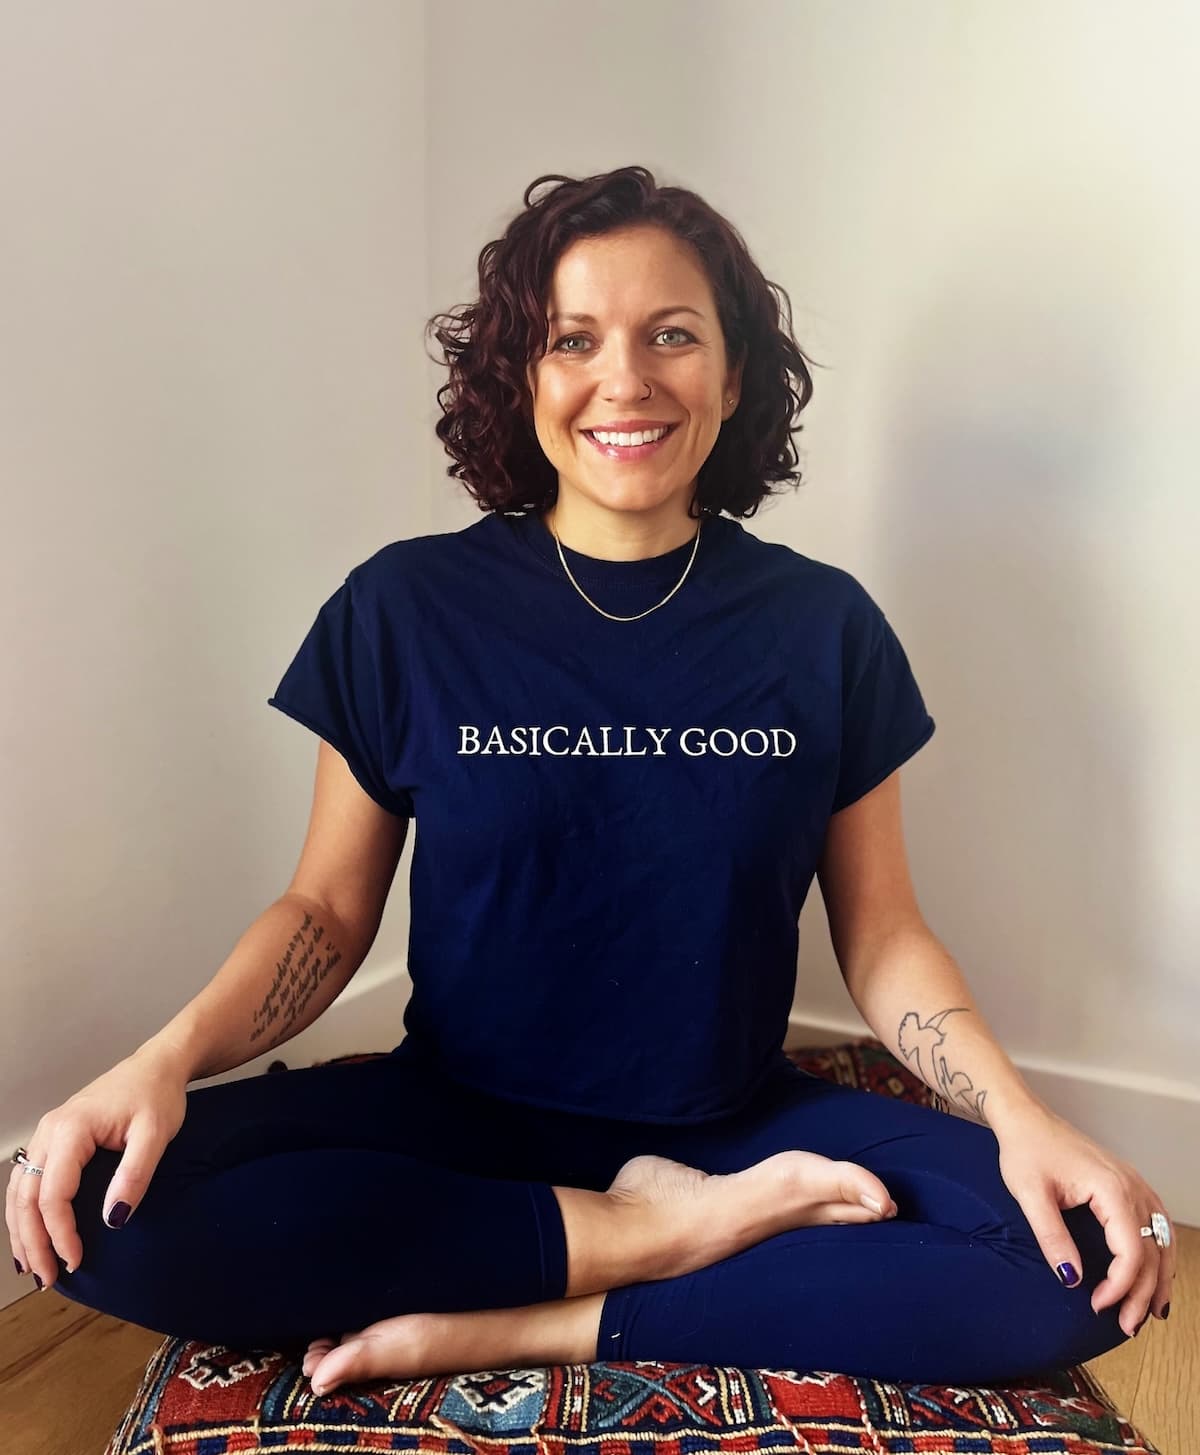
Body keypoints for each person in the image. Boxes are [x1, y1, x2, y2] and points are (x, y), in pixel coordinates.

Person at [8, 166, 1173, 1398]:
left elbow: (882, 936)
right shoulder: (404, 610)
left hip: (729, 1120)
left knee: (1102, 1250)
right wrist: (164, 1059)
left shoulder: (821, 629)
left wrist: (1021, 1118)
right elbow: (324, 916)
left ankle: (529, 1316)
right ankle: (652, 1236)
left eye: (674, 335)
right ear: (523, 377)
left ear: (734, 377)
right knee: (76, 1196)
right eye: (575, 340)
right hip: (461, 1113)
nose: (627, 380)